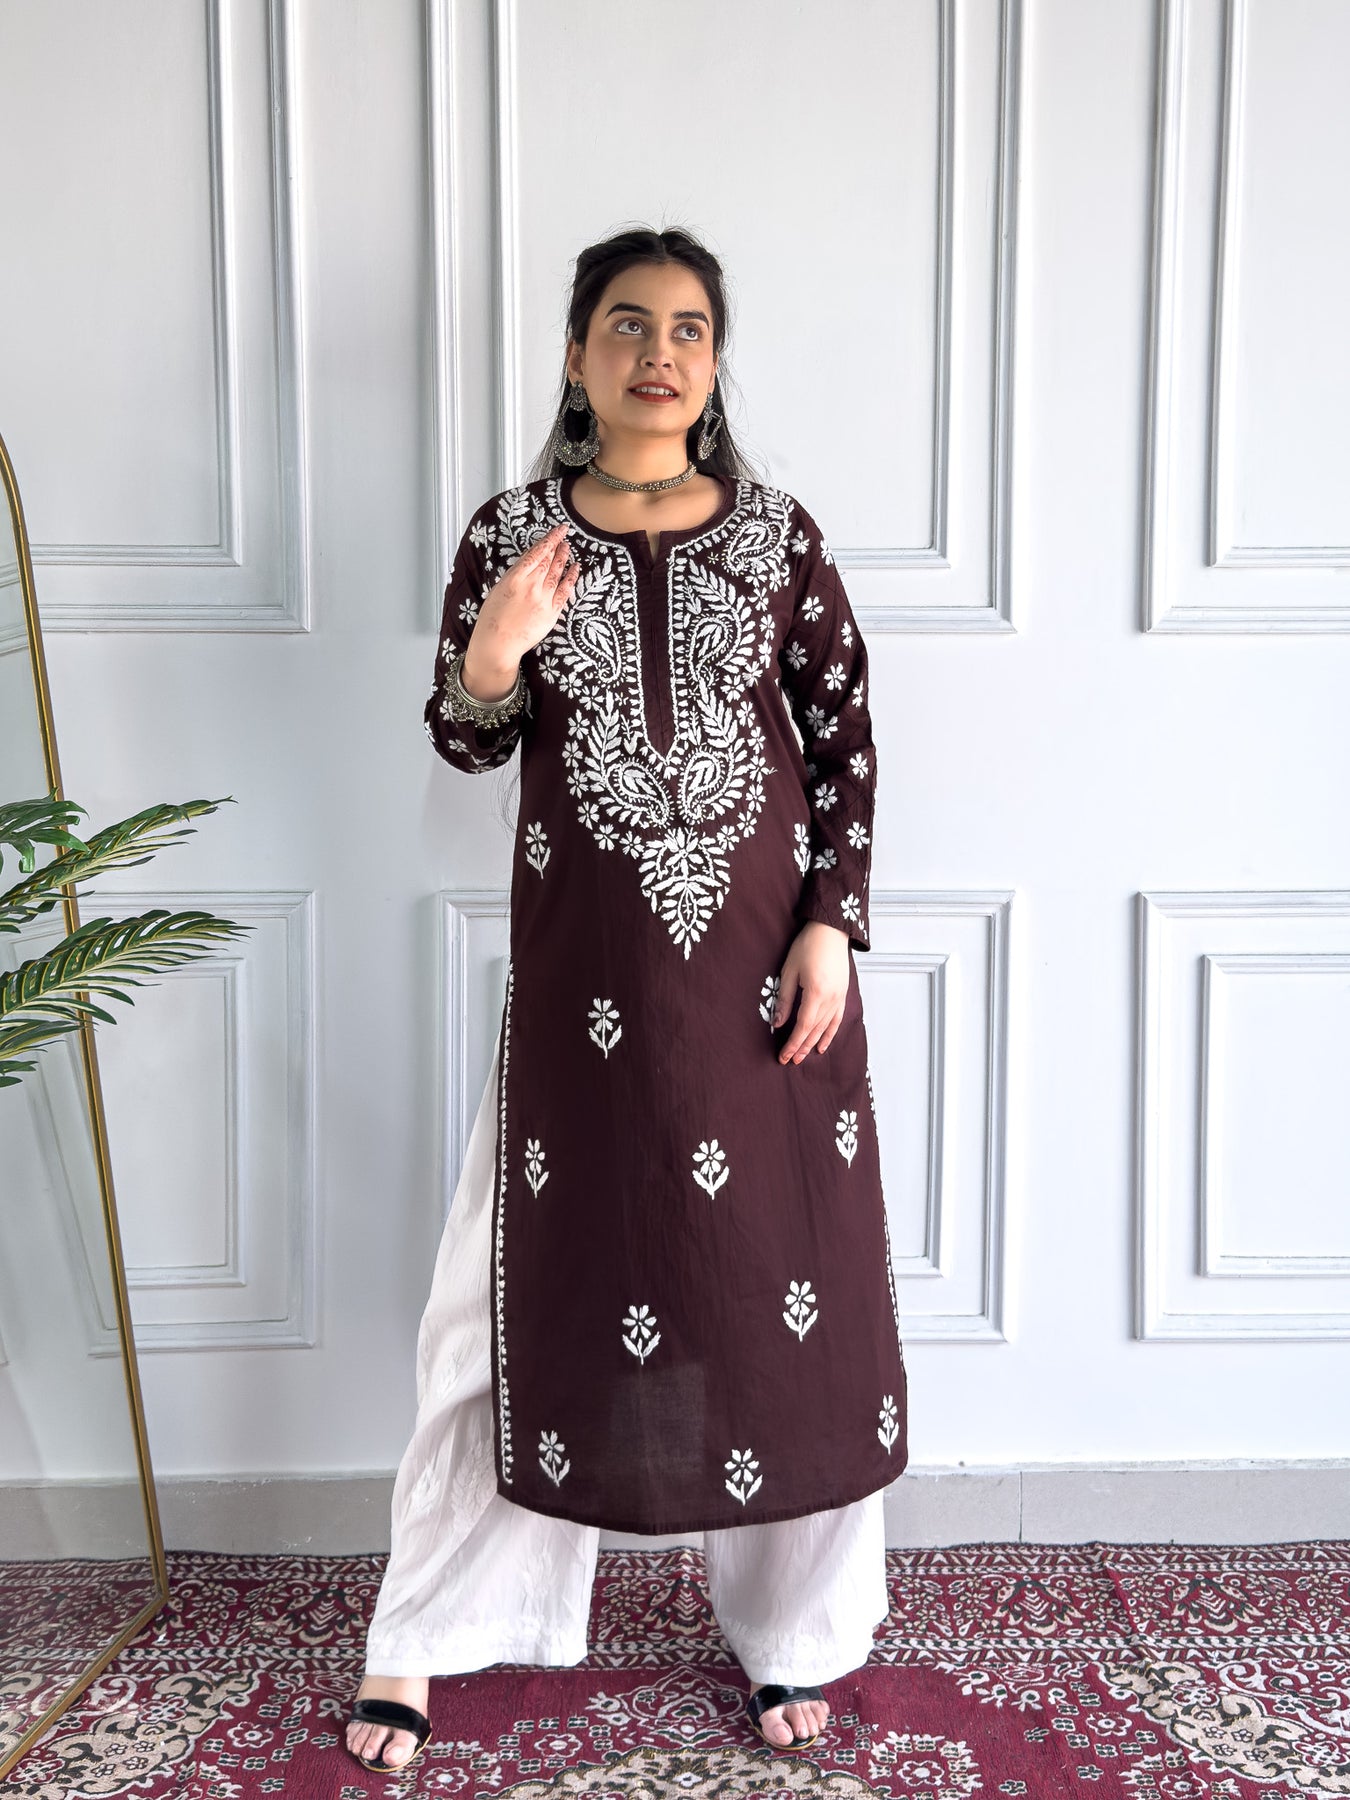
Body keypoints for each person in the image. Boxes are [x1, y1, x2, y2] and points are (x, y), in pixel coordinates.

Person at [345, 225, 909, 1774]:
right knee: (503, 1308)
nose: (658, 352)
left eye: (687, 329)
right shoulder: (513, 533)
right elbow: (468, 739)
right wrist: (493, 650)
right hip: (585, 997)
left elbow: (844, 747)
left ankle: (792, 1637)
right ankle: (424, 1632)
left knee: (782, 1299)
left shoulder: (777, 538)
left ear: (713, 364)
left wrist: (832, 926)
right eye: (625, 324)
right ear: (577, 355)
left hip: (763, 988)